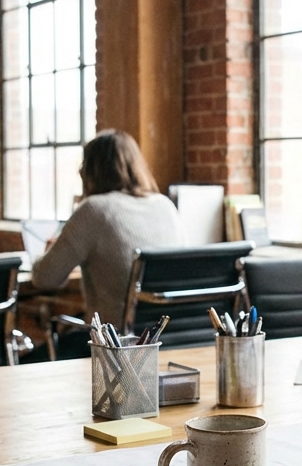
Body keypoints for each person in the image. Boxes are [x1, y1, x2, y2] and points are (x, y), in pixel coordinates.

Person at [30, 129, 186, 359]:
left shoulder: (94, 209)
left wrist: (46, 253)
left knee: (30, 360)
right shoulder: (165, 206)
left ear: (89, 172)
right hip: (169, 341)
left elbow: (45, 278)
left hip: (114, 348)